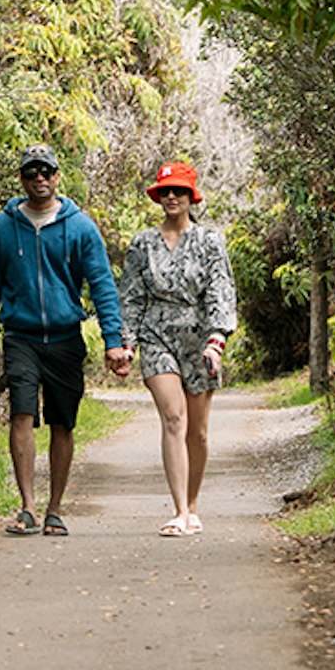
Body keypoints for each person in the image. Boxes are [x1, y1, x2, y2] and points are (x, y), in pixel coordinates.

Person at [0, 148, 129, 535]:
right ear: (22, 179)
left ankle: (54, 509)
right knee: (21, 413)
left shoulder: (81, 227)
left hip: (66, 338)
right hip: (20, 336)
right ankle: (27, 508)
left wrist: (113, 340)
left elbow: (102, 286)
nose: (40, 178)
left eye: (47, 171)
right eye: (31, 172)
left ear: (57, 176)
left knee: (62, 423)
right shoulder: (2, 228)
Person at [120, 156, 242, 534]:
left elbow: (221, 290)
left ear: (191, 196)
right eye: (165, 191)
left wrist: (217, 339)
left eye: (179, 191)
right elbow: (131, 296)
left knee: (197, 431)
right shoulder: (142, 243)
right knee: (173, 418)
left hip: (200, 337)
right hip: (157, 334)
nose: (171, 197)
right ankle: (178, 512)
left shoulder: (209, 241)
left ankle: (192, 502)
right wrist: (126, 343)